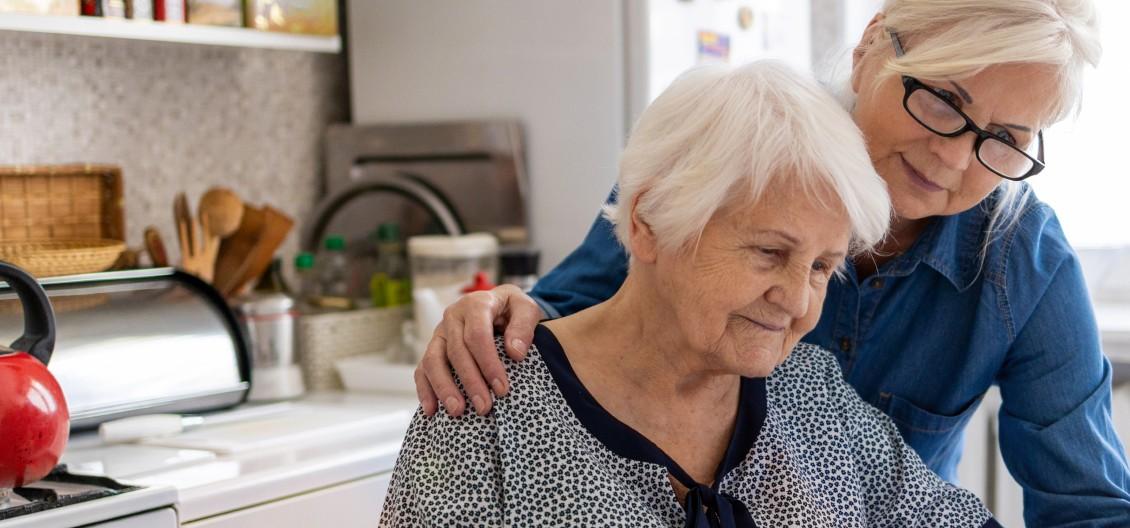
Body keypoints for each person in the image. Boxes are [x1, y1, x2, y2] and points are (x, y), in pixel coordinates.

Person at [413, 1, 1130, 525]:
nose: (952, 154)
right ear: (870, 47)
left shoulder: (1022, 267)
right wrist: (496, 315)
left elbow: (1088, 506)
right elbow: (573, 321)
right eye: (943, 98)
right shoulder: (725, 157)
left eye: (1004, 137)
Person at [382, 61, 999, 527]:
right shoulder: (486, 408)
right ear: (649, 222)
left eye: (821, 267)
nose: (795, 300)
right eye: (769, 252)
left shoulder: (813, 395)